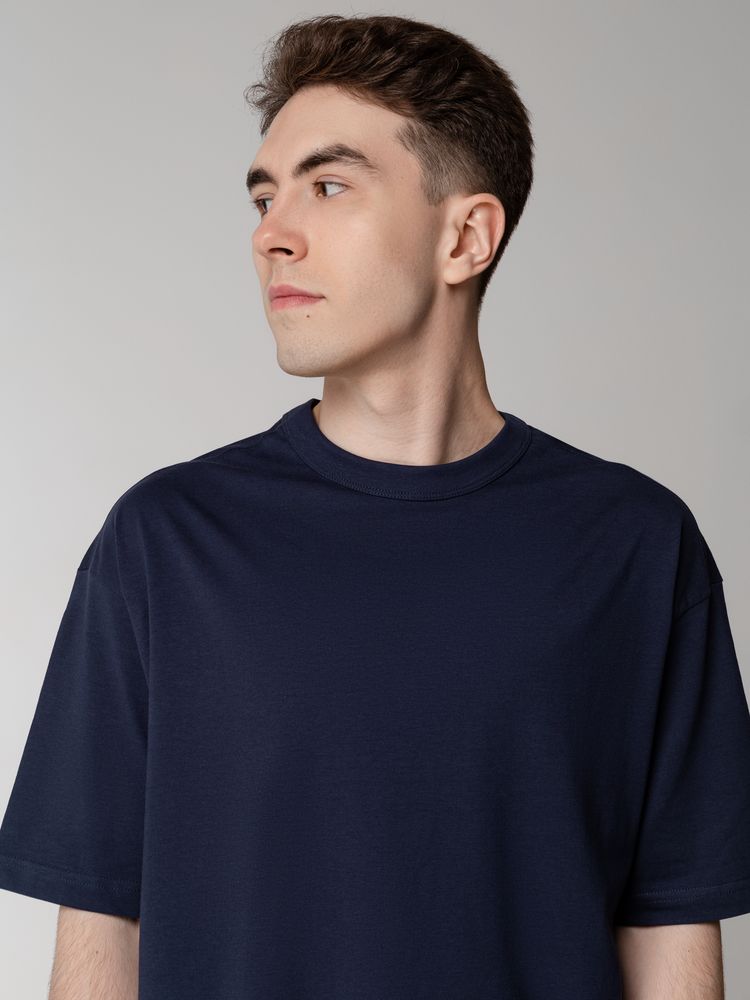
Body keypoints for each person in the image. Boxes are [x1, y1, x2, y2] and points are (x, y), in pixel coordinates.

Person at [1, 12, 748, 999]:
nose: (271, 233)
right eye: (263, 195)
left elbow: (670, 932)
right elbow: (101, 925)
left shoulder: (637, 548)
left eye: (328, 185)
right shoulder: (167, 542)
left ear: (466, 237)